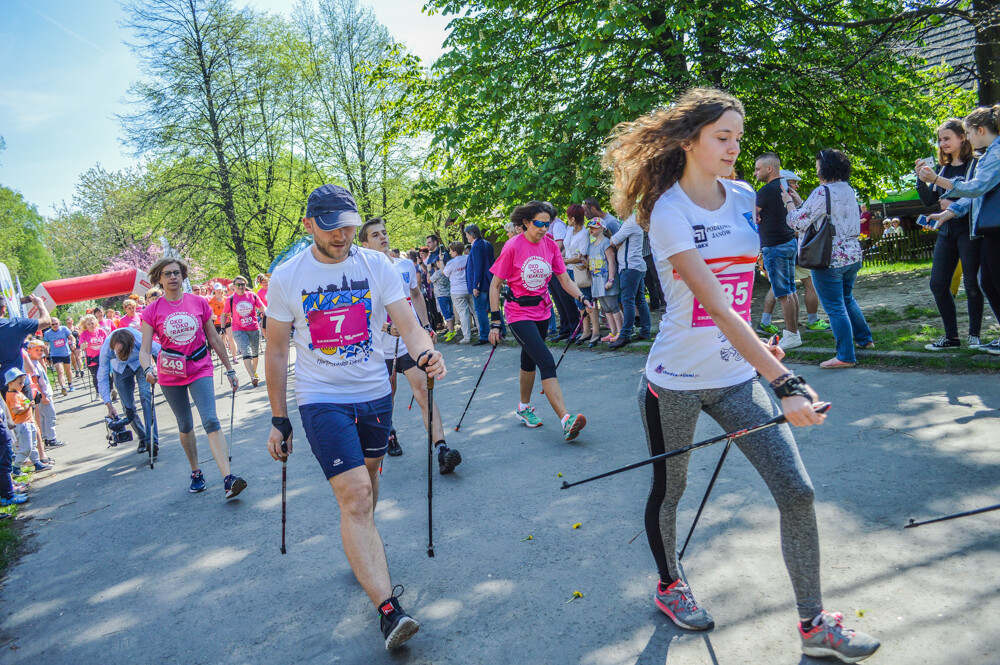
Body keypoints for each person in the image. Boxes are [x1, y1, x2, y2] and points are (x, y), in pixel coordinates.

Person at [602, 87, 880, 663]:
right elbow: (715, 307)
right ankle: (669, 583)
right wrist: (784, 379)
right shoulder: (668, 211)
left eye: (737, 137)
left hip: (735, 378)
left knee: (796, 490)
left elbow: (739, 293)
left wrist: (762, 345)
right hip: (673, 382)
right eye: (722, 137)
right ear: (689, 141)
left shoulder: (746, 194)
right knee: (670, 490)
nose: (734, 147)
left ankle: (813, 624)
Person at [265, 185, 446, 650]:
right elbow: (278, 349)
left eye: (349, 224)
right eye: (332, 227)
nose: (344, 235)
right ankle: (389, 611)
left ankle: (360, 539)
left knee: (368, 483)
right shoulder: (287, 277)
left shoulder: (376, 264)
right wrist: (279, 417)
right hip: (321, 397)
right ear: (309, 226)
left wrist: (426, 354)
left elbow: (406, 323)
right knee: (357, 496)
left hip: (373, 393)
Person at [139, 257, 246, 499]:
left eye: (177, 273)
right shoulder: (151, 310)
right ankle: (196, 472)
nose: (173, 277)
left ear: (183, 276)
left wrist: (230, 370)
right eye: (167, 274)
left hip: (199, 366)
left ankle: (228, 479)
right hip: (170, 372)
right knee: (185, 425)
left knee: (210, 420)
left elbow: (215, 339)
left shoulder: (198, 302)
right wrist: (148, 370)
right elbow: (144, 350)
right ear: (159, 279)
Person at [360, 218, 462, 471]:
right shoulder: (360, 274)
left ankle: (441, 449)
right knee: (387, 397)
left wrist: (426, 326)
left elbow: (416, 295)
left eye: (384, 232)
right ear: (364, 244)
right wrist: (386, 327)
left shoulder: (405, 265)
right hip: (378, 349)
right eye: (375, 235)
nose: (383, 237)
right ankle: (389, 433)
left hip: (408, 345)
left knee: (424, 394)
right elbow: (358, 313)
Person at [488, 201, 591, 441]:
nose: (544, 229)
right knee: (545, 360)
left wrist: (582, 297)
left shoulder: (550, 247)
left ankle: (524, 409)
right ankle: (566, 420)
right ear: (525, 222)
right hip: (517, 313)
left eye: (547, 224)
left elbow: (564, 280)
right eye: (539, 224)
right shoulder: (512, 246)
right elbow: (495, 285)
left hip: (543, 311)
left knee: (528, 360)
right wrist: (495, 322)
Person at [784, 149, 873, 368]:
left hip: (828, 257)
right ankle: (865, 339)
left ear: (824, 168)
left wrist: (789, 202)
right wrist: (801, 201)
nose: (816, 171)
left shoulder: (822, 191)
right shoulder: (848, 190)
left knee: (835, 307)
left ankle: (845, 356)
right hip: (852, 254)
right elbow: (825, 214)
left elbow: (796, 222)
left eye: (817, 167)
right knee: (847, 299)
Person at [919, 115, 990, 351]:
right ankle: (951, 337)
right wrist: (922, 179)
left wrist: (951, 201)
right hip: (946, 230)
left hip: (968, 231)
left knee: (972, 284)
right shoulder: (943, 168)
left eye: (946, 138)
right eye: (940, 140)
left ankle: (974, 336)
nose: (942, 144)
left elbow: (974, 193)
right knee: (938, 284)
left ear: (962, 138)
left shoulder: (977, 164)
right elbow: (931, 200)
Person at [758, 171, 830, 335]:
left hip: (787, 247)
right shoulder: (782, 199)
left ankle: (765, 322)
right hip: (794, 248)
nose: (796, 186)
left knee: (779, 288)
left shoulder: (774, 200)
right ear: (784, 183)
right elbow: (800, 225)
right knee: (805, 286)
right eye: (793, 183)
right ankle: (810, 321)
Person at [753, 153, 802, 349]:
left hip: (775, 245)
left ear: (769, 169)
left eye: (758, 169)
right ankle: (794, 332)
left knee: (783, 293)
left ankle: (791, 334)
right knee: (790, 289)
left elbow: (751, 215)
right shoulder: (785, 186)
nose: (755, 173)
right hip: (789, 242)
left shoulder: (766, 190)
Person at [99, 328, 161, 455]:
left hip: (140, 363)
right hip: (119, 369)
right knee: (128, 407)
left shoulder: (138, 338)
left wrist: (159, 371)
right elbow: (102, 377)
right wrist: (108, 404)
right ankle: (142, 437)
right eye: (118, 351)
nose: (120, 353)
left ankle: (152, 441)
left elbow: (159, 351)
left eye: (123, 351)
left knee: (146, 396)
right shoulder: (106, 348)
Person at [609, 213, 652, 348]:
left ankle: (625, 334)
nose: (617, 212)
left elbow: (613, 241)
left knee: (628, 301)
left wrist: (614, 239)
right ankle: (645, 331)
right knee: (640, 300)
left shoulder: (629, 223)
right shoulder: (634, 221)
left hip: (630, 267)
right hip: (637, 266)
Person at [564, 204, 600, 345]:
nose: (567, 220)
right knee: (578, 302)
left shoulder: (584, 234)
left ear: (573, 218)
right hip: (569, 270)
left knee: (588, 300)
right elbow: (567, 250)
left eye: (568, 217)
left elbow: (581, 255)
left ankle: (596, 331)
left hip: (579, 271)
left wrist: (564, 261)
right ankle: (586, 330)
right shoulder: (569, 230)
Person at [545, 204, 581, 341]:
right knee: (558, 300)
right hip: (550, 267)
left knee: (565, 298)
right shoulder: (548, 225)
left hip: (557, 265)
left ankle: (574, 327)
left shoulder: (557, 225)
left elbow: (559, 245)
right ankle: (565, 328)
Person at [223, 276, 267, 387]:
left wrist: (266, 314)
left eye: (243, 284)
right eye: (238, 284)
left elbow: (263, 308)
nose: (241, 286)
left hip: (253, 328)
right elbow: (224, 315)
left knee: (255, 352)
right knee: (246, 352)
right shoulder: (231, 299)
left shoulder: (252, 296)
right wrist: (223, 328)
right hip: (238, 329)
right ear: (234, 286)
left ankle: (254, 372)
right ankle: (252, 376)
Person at [5, 369, 50, 473]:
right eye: (20, 383)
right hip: (22, 424)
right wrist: (28, 405)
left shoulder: (18, 393)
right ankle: (16, 467)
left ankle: (37, 463)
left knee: (32, 445)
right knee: (27, 447)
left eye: (23, 382)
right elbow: (16, 410)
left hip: (28, 422)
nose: (22, 385)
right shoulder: (12, 396)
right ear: (10, 383)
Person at [25, 340, 66, 450]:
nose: (39, 352)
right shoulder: (32, 364)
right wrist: (44, 395)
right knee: (50, 416)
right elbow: (36, 382)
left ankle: (46, 437)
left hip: (45, 393)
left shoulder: (36, 362)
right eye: (36, 350)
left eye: (41, 350)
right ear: (29, 351)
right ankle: (51, 438)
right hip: (43, 394)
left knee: (44, 416)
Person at [588, 218, 624, 343]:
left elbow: (611, 262)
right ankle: (613, 332)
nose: (591, 230)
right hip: (596, 283)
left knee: (613, 307)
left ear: (602, 228)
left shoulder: (606, 243)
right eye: (590, 227)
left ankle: (621, 332)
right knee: (606, 309)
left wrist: (611, 279)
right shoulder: (591, 245)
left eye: (594, 227)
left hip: (606, 281)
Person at [444, 241, 474, 343]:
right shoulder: (468, 258)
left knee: (463, 314)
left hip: (457, 291)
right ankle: (482, 331)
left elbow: (446, 274)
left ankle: (467, 336)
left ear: (455, 252)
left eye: (451, 251)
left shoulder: (451, 263)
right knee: (475, 311)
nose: (450, 253)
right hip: (469, 288)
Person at [41, 317, 75, 394]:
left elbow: (72, 337)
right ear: (50, 325)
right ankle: (63, 387)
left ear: (59, 323)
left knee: (68, 370)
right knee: (60, 370)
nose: (55, 325)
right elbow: (46, 345)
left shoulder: (64, 329)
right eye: (53, 324)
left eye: (56, 323)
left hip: (66, 353)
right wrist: (47, 356)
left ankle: (70, 384)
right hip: (55, 355)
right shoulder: (47, 334)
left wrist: (73, 343)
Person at [79, 314, 108, 395]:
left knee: (106, 374)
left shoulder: (101, 331)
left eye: (92, 323)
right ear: (85, 325)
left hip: (103, 357)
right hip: (92, 359)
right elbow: (81, 344)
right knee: (96, 376)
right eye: (88, 324)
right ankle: (98, 392)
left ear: (95, 322)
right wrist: (83, 345)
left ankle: (111, 390)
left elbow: (108, 342)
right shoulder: (84, 334)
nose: (91, 325)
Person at [429, 253, 455, 340]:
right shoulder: (447, 270)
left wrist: (429, 270)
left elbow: (429, 280)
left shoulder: (438, 273)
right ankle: (452, 330)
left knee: (446, 314)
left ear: (438, 262)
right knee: (451, 312)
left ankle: (451, 331)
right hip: (449, 294)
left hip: (441, 296)